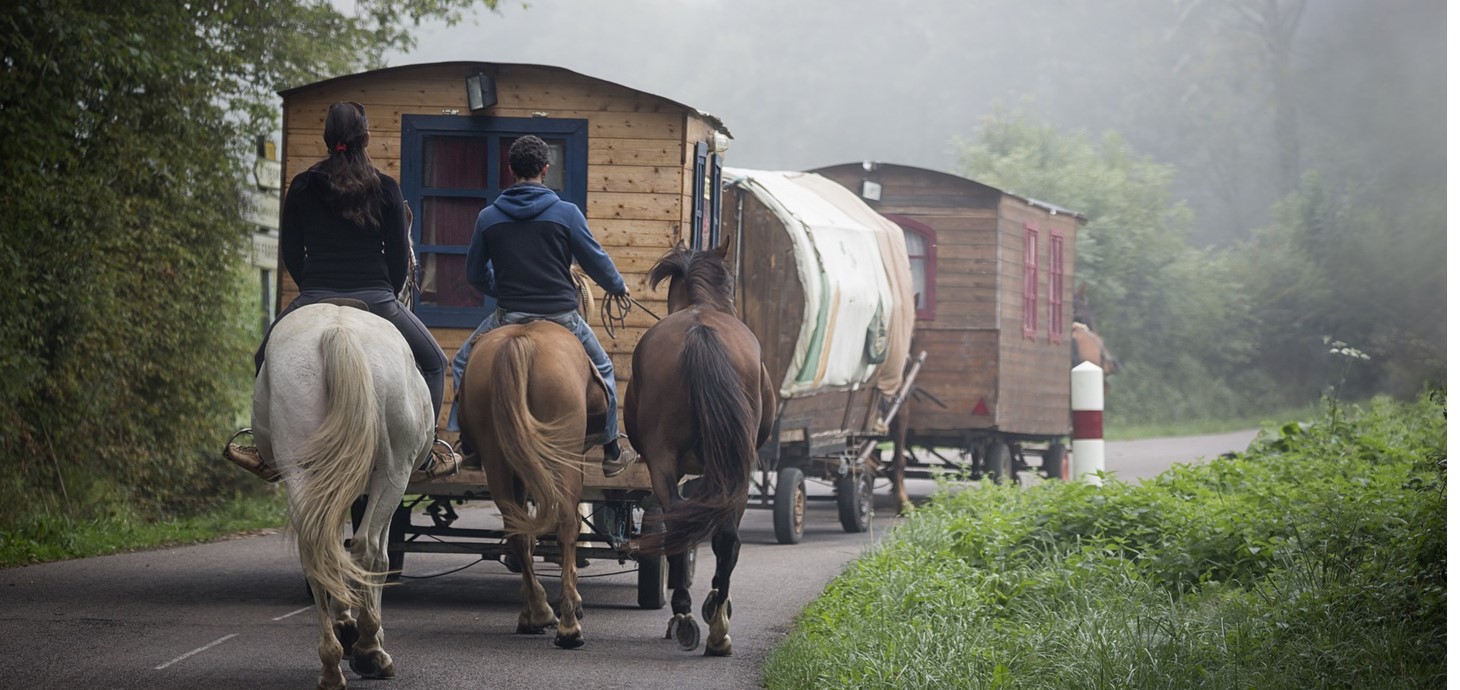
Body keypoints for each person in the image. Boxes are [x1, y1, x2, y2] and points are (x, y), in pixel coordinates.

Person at [226, 101, 459, 482]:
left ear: (326, 138)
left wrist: (311, 289)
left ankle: (265, 449)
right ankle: (428, 448)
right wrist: (384, 288)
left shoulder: (303, 185)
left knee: (263, 357)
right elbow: (400, 258)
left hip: (315, 293)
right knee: (435, 362)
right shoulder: (385, 187)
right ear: (366, 138)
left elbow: (291, 251)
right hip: (378, 299)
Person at [452, 134, 637, 477]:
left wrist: (500, 286)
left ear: (511, 170)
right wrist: (617, 285)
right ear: (545, 170)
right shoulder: (566, 214)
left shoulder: (488, 217)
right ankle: (611, 449)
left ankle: (469, 443)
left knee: (463, 362)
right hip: (562, 318)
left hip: (508, 316)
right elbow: (594, 259)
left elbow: (474, 274)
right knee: (604, 369)